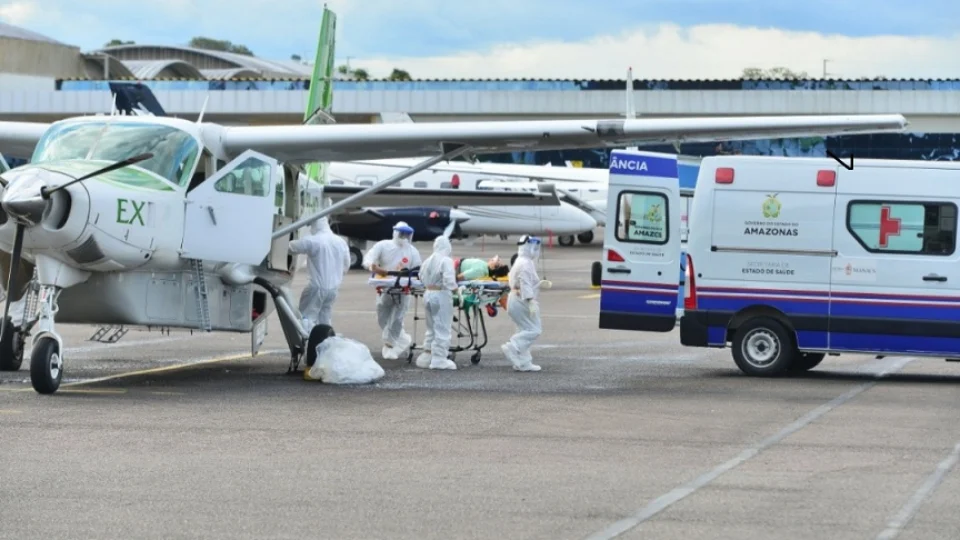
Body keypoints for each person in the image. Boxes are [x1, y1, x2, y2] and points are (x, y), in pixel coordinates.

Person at [362, 221, 422, 360]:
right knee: (382, 316)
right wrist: (374, 267)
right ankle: (403, 339)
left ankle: (390, 343)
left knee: (397, 317)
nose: (404, 237)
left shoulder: (412, 251)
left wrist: (409, 274)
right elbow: (369, 259)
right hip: (385, 286)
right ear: (396, 232)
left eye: (407, 234)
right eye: (402, 234)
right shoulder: (383, 245)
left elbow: (418, 268)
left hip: (403, 288)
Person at [287, 217, 350, 329]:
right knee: (325, 319)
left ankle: (307, 339)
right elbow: (346, 265)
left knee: (306, 318)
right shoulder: (341, 242)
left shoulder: (313, 240)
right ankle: (326, 338)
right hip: (333, 289)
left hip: (316, 288)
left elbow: (290, 247)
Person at [501, 235, 551, 372]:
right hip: (522, 300)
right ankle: (513, 346)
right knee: (534, 330)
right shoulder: (525, 264)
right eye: (534, 246)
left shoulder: (521, 260)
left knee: (523, 330)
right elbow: (525, 282)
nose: (536, 249)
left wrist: (539, 285)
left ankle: (523, 362)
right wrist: (530, 300)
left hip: (515, 298)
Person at [415, 235, 458, 370]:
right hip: (441, 295)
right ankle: (439, 359)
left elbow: (421, 276)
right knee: (442, 327)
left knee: (431, 327)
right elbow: (449, 281)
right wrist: (457, 291)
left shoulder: (427, 260)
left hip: (428, 293)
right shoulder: (446, 260)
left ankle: (427, 355)